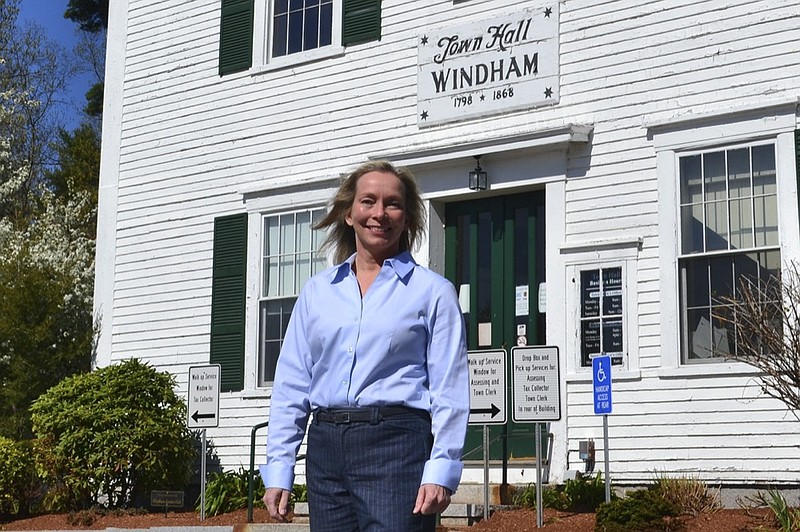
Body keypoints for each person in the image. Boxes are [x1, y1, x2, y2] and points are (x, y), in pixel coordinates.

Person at [260, 160, 469, 531]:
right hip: (325, 448)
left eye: (393, 204)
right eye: (368, 201)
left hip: (397, 446)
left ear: (406, 218)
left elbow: (450, 389)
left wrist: (442, 468)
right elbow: (292, 383)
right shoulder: (317, 292)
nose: (379, 213)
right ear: (348, 213)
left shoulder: (433, 293)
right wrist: (280, 467)